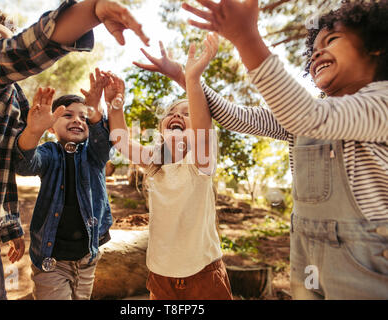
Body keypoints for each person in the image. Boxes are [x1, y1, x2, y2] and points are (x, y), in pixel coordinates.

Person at [136, 0, 388, 299]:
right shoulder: (305, 115)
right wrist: (186, 77)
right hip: (309, 257)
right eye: (314, 47)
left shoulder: (381, 102)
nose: (317, 51)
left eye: (331, 39)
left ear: (375, 46)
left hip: (367, 263)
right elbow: (236, 116)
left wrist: (247, 39)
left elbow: (310, 116)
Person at [0, 0, 148, 300]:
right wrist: (88, 13)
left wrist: (10, 227)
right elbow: (14, 56)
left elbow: (2, 167)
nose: (6, 43)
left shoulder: (18, 102)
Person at [105, 34, 233, 300]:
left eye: (187, 113)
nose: (177, 115)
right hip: (161, 275)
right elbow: (121, 141)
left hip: (203, 275)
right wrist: (115, 104)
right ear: (162, 129)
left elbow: (202, 127)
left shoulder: (200, 162)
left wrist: (192, 79)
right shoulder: (155, 163)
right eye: (172, 113)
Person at [14, 69, 112, 300]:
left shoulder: (93, 154)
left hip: (87, 258)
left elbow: (103, 143)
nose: (78, 120)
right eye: (67, 115)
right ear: (51, 126)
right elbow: (25, 165)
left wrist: (96, 111)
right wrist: (33, 131)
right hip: (51, 260)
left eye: (84, 117)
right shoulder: (49, 152)